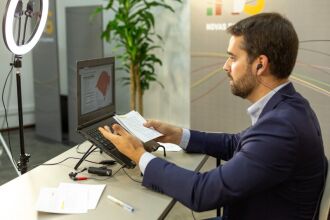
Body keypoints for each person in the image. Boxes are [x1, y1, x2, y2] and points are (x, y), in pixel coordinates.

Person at [99, 12, 326, 220]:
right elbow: (237, 143)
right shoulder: (289, 107)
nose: (225, 67)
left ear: (260, 65)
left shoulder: (282, 128)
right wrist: (179, 135)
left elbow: (202, 192)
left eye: (233, 58)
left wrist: (139, 155)